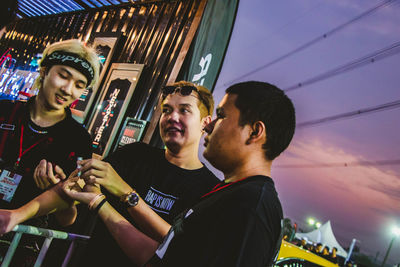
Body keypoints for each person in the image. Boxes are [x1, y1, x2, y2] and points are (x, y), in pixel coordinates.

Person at [60, 80, 296, 266]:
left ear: (254, 132)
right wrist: (99, 202)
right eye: (166, 110)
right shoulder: (228, 194)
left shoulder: (251, 208)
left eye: (222, 116)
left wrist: (124, 193)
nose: (211, 125)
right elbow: (161, 256)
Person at [0, 81, 219, 266]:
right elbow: (73, 186)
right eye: (167, 110)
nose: (172, 117)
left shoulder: (209, 189)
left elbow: (178, 246)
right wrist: (16, 215)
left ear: (205, 123)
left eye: (184, 110)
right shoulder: (135, 154)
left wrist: (124, 191)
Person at [0, 39, 100, 265]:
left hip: (21, 245)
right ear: (44, 71)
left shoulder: (79, 139)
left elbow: (69, 219)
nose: (68, 89)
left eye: (79, 84)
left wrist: (59, 194)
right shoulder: (5, 111)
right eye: (63, 75)